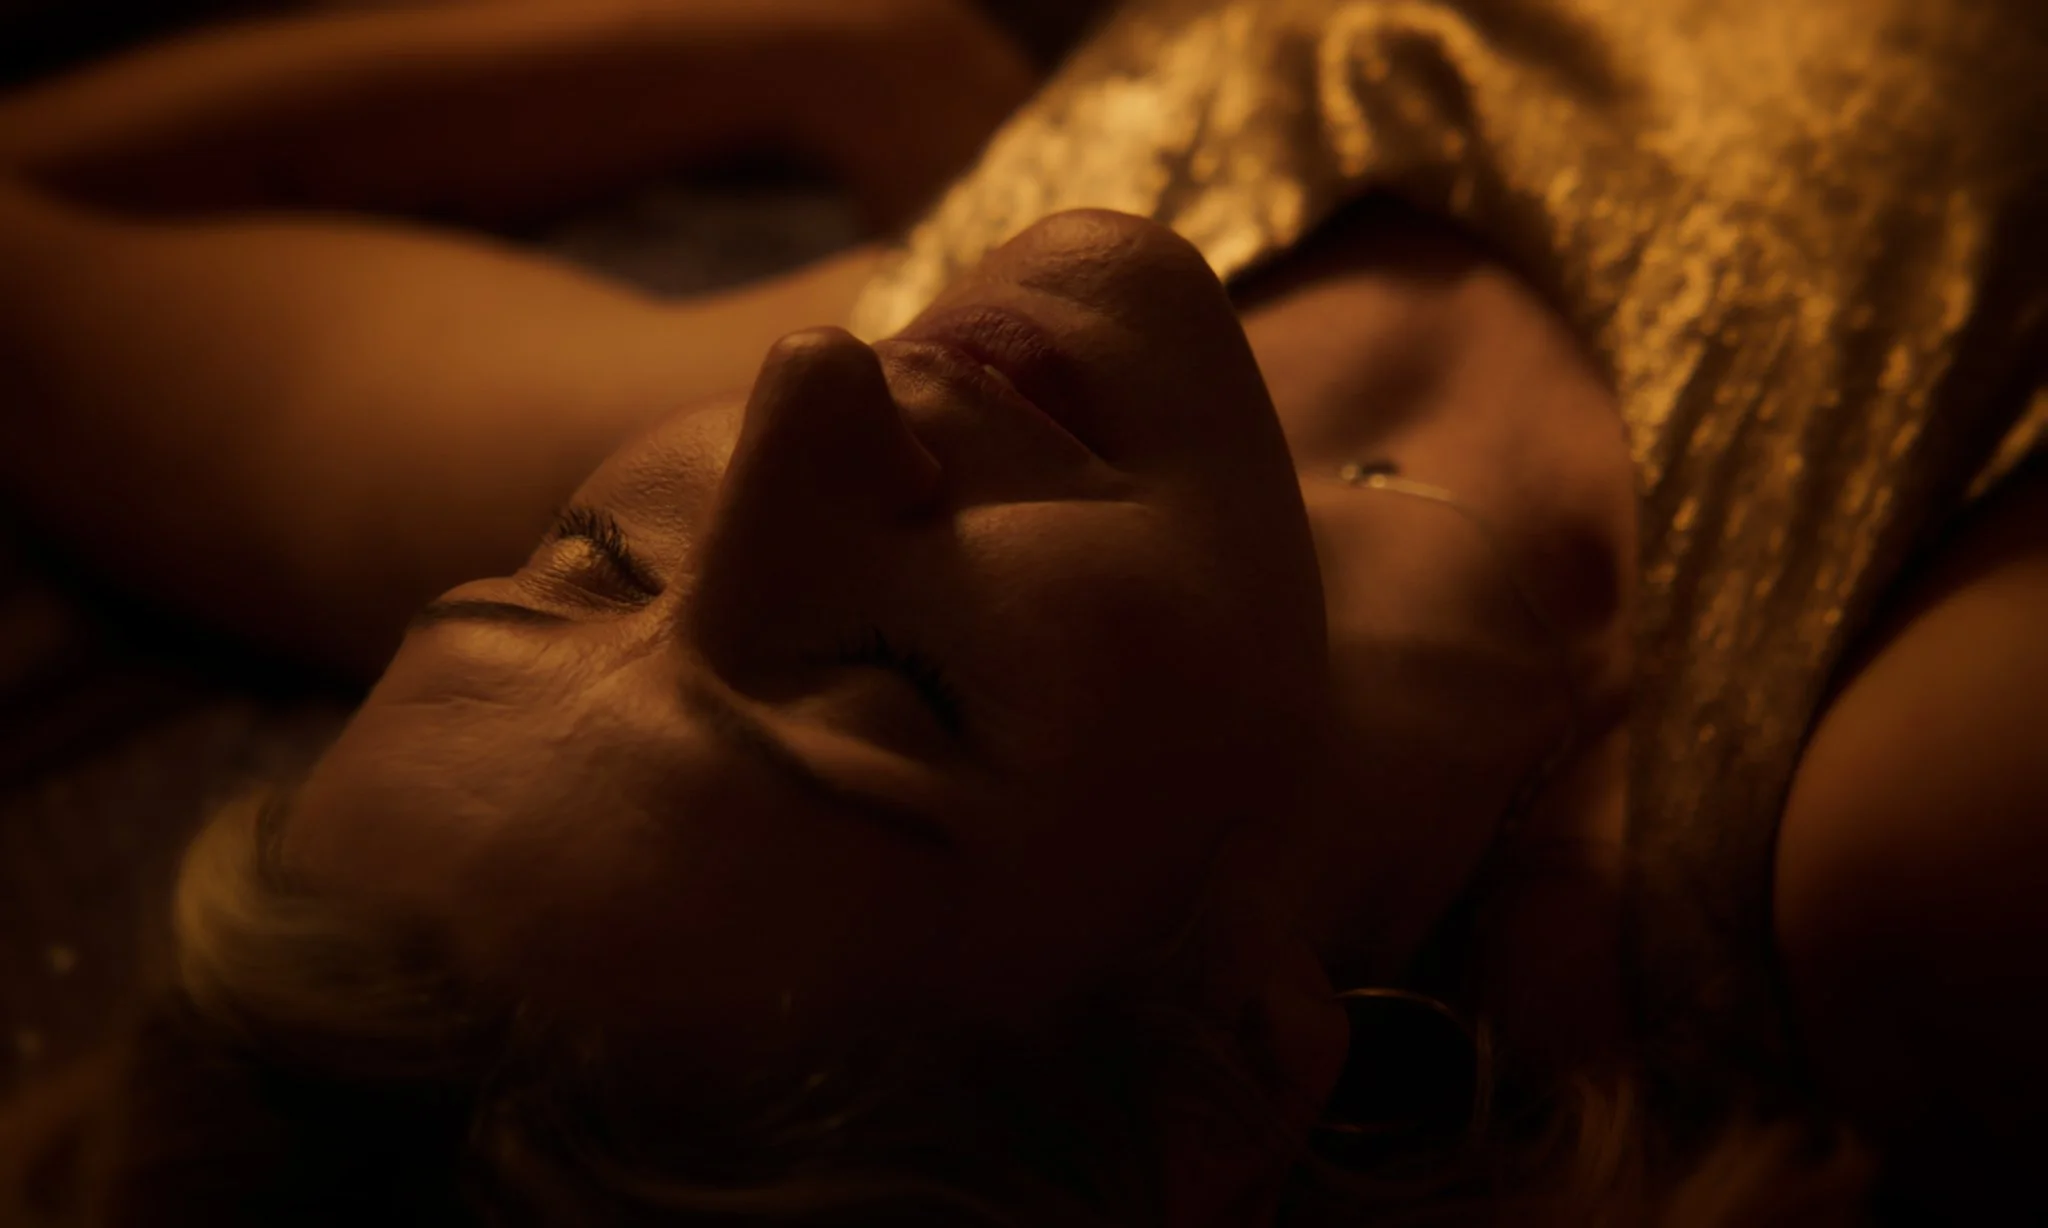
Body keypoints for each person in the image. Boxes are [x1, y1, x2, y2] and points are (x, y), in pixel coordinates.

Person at [0, 0, 2042, 1223]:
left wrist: (812, 47)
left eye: (591, 565)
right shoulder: (1920, 835)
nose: (807, 393)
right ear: (1224, 1063)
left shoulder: (868, 409)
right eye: (889, 689)